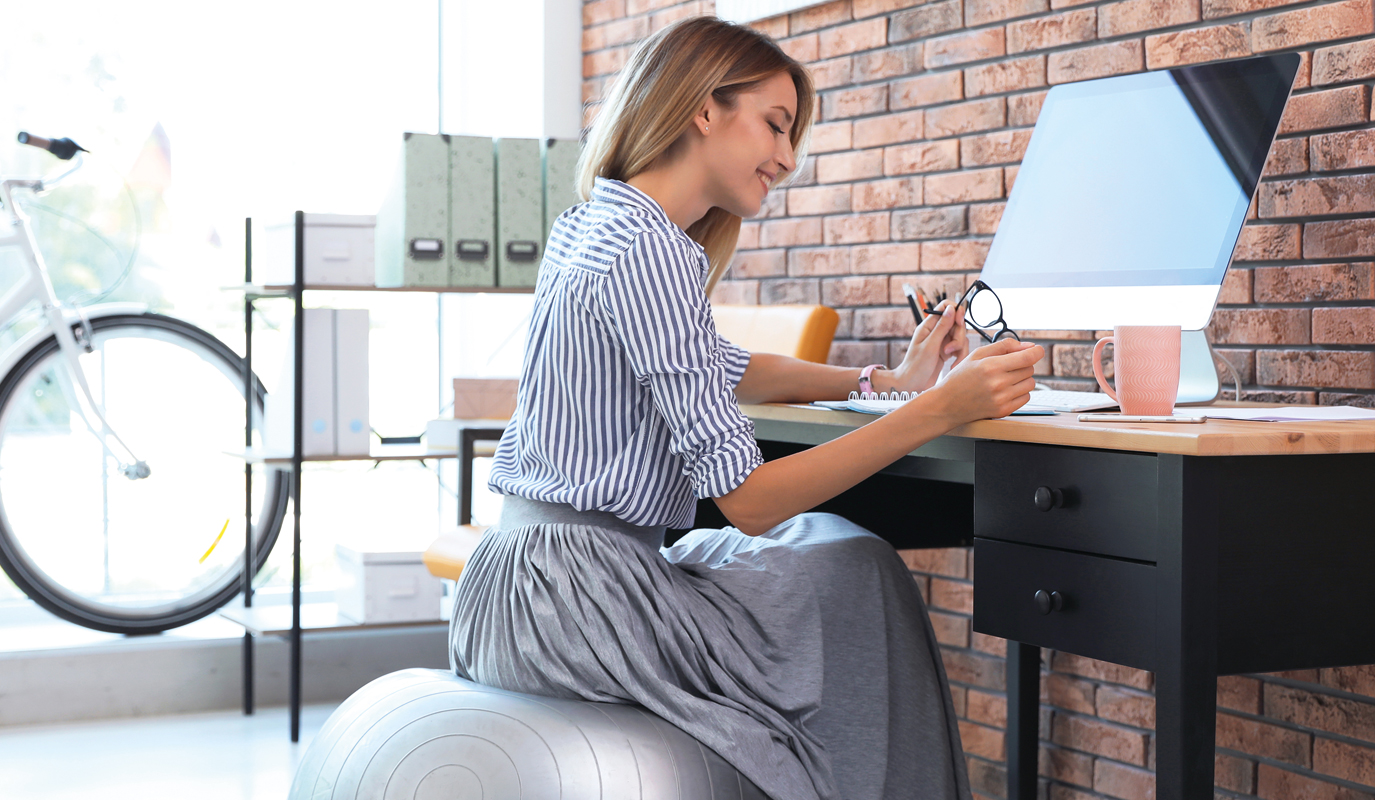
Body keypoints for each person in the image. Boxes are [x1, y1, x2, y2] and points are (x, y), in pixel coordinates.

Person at [448, 15, 1045, 800]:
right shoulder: (648, 251)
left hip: (516, 588)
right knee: (856, 571)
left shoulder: (599, 221)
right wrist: (937, 411)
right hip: (584, 605)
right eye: (774, 124)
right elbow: (752, 504)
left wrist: (890, 380)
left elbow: (730, 369)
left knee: (835, 553)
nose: (787, 158)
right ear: (703, 108)